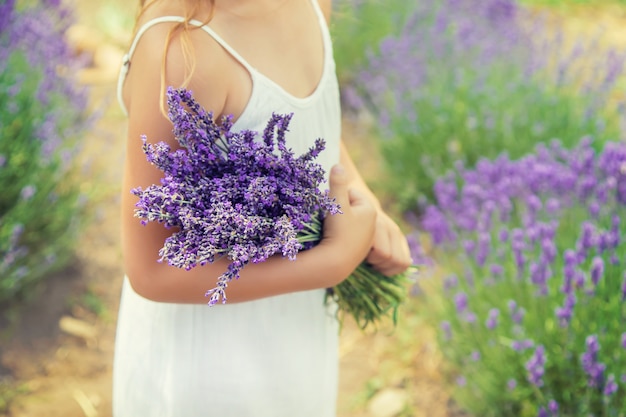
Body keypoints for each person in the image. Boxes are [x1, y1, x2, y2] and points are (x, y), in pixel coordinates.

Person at [113, 0, 412, 415]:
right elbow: (151, 270)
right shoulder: (184, 51)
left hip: (294, 330)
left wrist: (360, 197)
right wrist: (334, 260)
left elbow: (306, 130)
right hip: (210, 372)